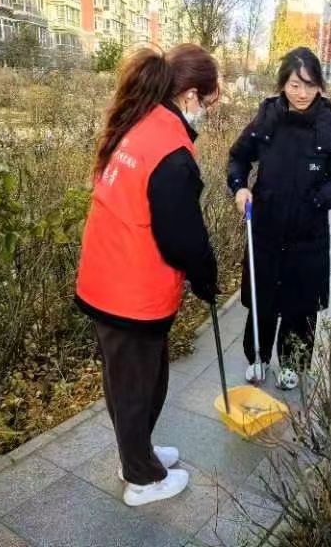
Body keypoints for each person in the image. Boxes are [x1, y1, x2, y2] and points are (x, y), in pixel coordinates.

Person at [75, 45, 220, 507]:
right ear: (191, 95)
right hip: (129, 290)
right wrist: (206, 276)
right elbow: (182, 237)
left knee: (133, 383)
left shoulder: (140, 123)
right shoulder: (170, 150)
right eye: (209, 101)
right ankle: (141, 478)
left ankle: (137, 453)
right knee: (137, 389)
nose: (207, 111)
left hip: (106, 280)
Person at [227, 47, 331, 390]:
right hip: (266, 226)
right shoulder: (267, 117)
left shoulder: (330, 124)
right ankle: (257, 357)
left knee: (301, 302)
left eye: (310, 85)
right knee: (263, 298)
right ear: (283, 83)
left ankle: (292, 363)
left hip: (308, 231)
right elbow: (238, 158)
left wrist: (318, 201)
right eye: (295, 85)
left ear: (319, 86)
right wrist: (239, 187)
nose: (302, 93)